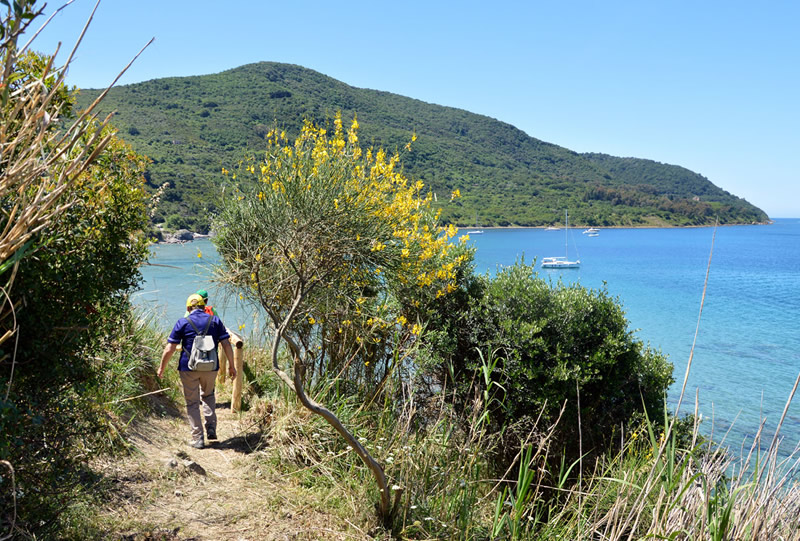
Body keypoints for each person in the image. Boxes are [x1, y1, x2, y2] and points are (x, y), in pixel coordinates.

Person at [159, 293, 236, 449]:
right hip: (211, 367)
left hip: (188, 368)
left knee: (192, 403)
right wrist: (231, 366)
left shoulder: (183, 322)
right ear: (203, 307)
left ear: (188, 308)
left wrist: (162, 367)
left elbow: (170, 348)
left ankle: (198, 438)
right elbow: (227, 344)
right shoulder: (214, 320)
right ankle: (211, 427)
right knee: (208, 395)